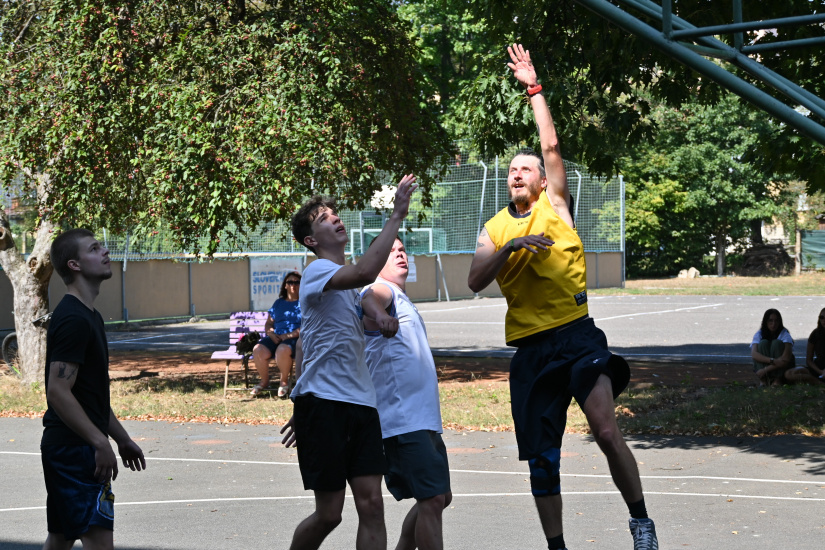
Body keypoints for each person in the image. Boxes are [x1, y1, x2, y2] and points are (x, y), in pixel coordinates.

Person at [466, 45, 657, 550]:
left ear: (542, 178)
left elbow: (551, 145)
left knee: (605, 429)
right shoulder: (495, 228)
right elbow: (474, 280)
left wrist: (534, 88)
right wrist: (509, 247)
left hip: (576, 336)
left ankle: (641, 522)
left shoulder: (556, 205)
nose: (516, 174)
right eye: (510, 170)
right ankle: (557, 546)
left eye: (524, 169)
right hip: (531, 349)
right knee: (542, 459)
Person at [280, 174, 418, 550]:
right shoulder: (316, 273)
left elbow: (321, 337)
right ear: (311, 240)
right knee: (330, 514)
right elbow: (364, 272)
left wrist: (384, 320)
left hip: (361, 403)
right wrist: (396, 216)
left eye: (334, 213)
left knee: (373, 505)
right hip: (324, 406)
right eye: (324, 218)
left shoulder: (352, 287)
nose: (335, 218)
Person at [41, 228, 146, 550]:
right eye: (94, 248)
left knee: (60, 538)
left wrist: (122, 438)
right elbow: (58, 390)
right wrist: (100, 442)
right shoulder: (74, 319)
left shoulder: (89, 316)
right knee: (99, 540)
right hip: (75, 449)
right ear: (74, 265)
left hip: (71, 446)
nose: (105, 252)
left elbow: (90, 397)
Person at [360, 237, 452, 550]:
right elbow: (369, 297)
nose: (400, 254)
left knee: (441, 497)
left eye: (402, 250)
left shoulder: (402, 297)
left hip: (423, 419)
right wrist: (380, 315)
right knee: (431, 499)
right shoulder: (383, 290)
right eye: (391, 251)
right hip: (403, 421)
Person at [251, 271, 302, 398]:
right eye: (290, 282)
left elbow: (306, 327)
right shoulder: (278, 303)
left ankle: (284, 382)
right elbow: (269, 323)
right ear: (285, 285)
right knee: (258, 349)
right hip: (276, 336)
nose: (293, 285)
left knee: (282, 349)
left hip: (294, 339)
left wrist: (288, 336)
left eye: (296, 282)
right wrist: (271, 333)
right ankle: (264, 381)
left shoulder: (305, 303)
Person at [751, 308, 795, 386]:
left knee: (777, 343)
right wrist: (772, 360)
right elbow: (754, 354)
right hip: (772, 364)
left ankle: (777, 379)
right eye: (770, 321)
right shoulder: (759, 333)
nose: (773, 324)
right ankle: (764, 380)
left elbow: (785, 359)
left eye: (776, 321)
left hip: (781, 369)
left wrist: (765, 370)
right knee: (763, 343)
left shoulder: (785, 334)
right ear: (765, 322)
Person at [784, 307, 825, 385]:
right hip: (817, 369)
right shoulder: (816, 334)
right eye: (822, 317)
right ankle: (819, 383)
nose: (824, 320)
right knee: (789, 374)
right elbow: (809, 360)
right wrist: (821, 372)